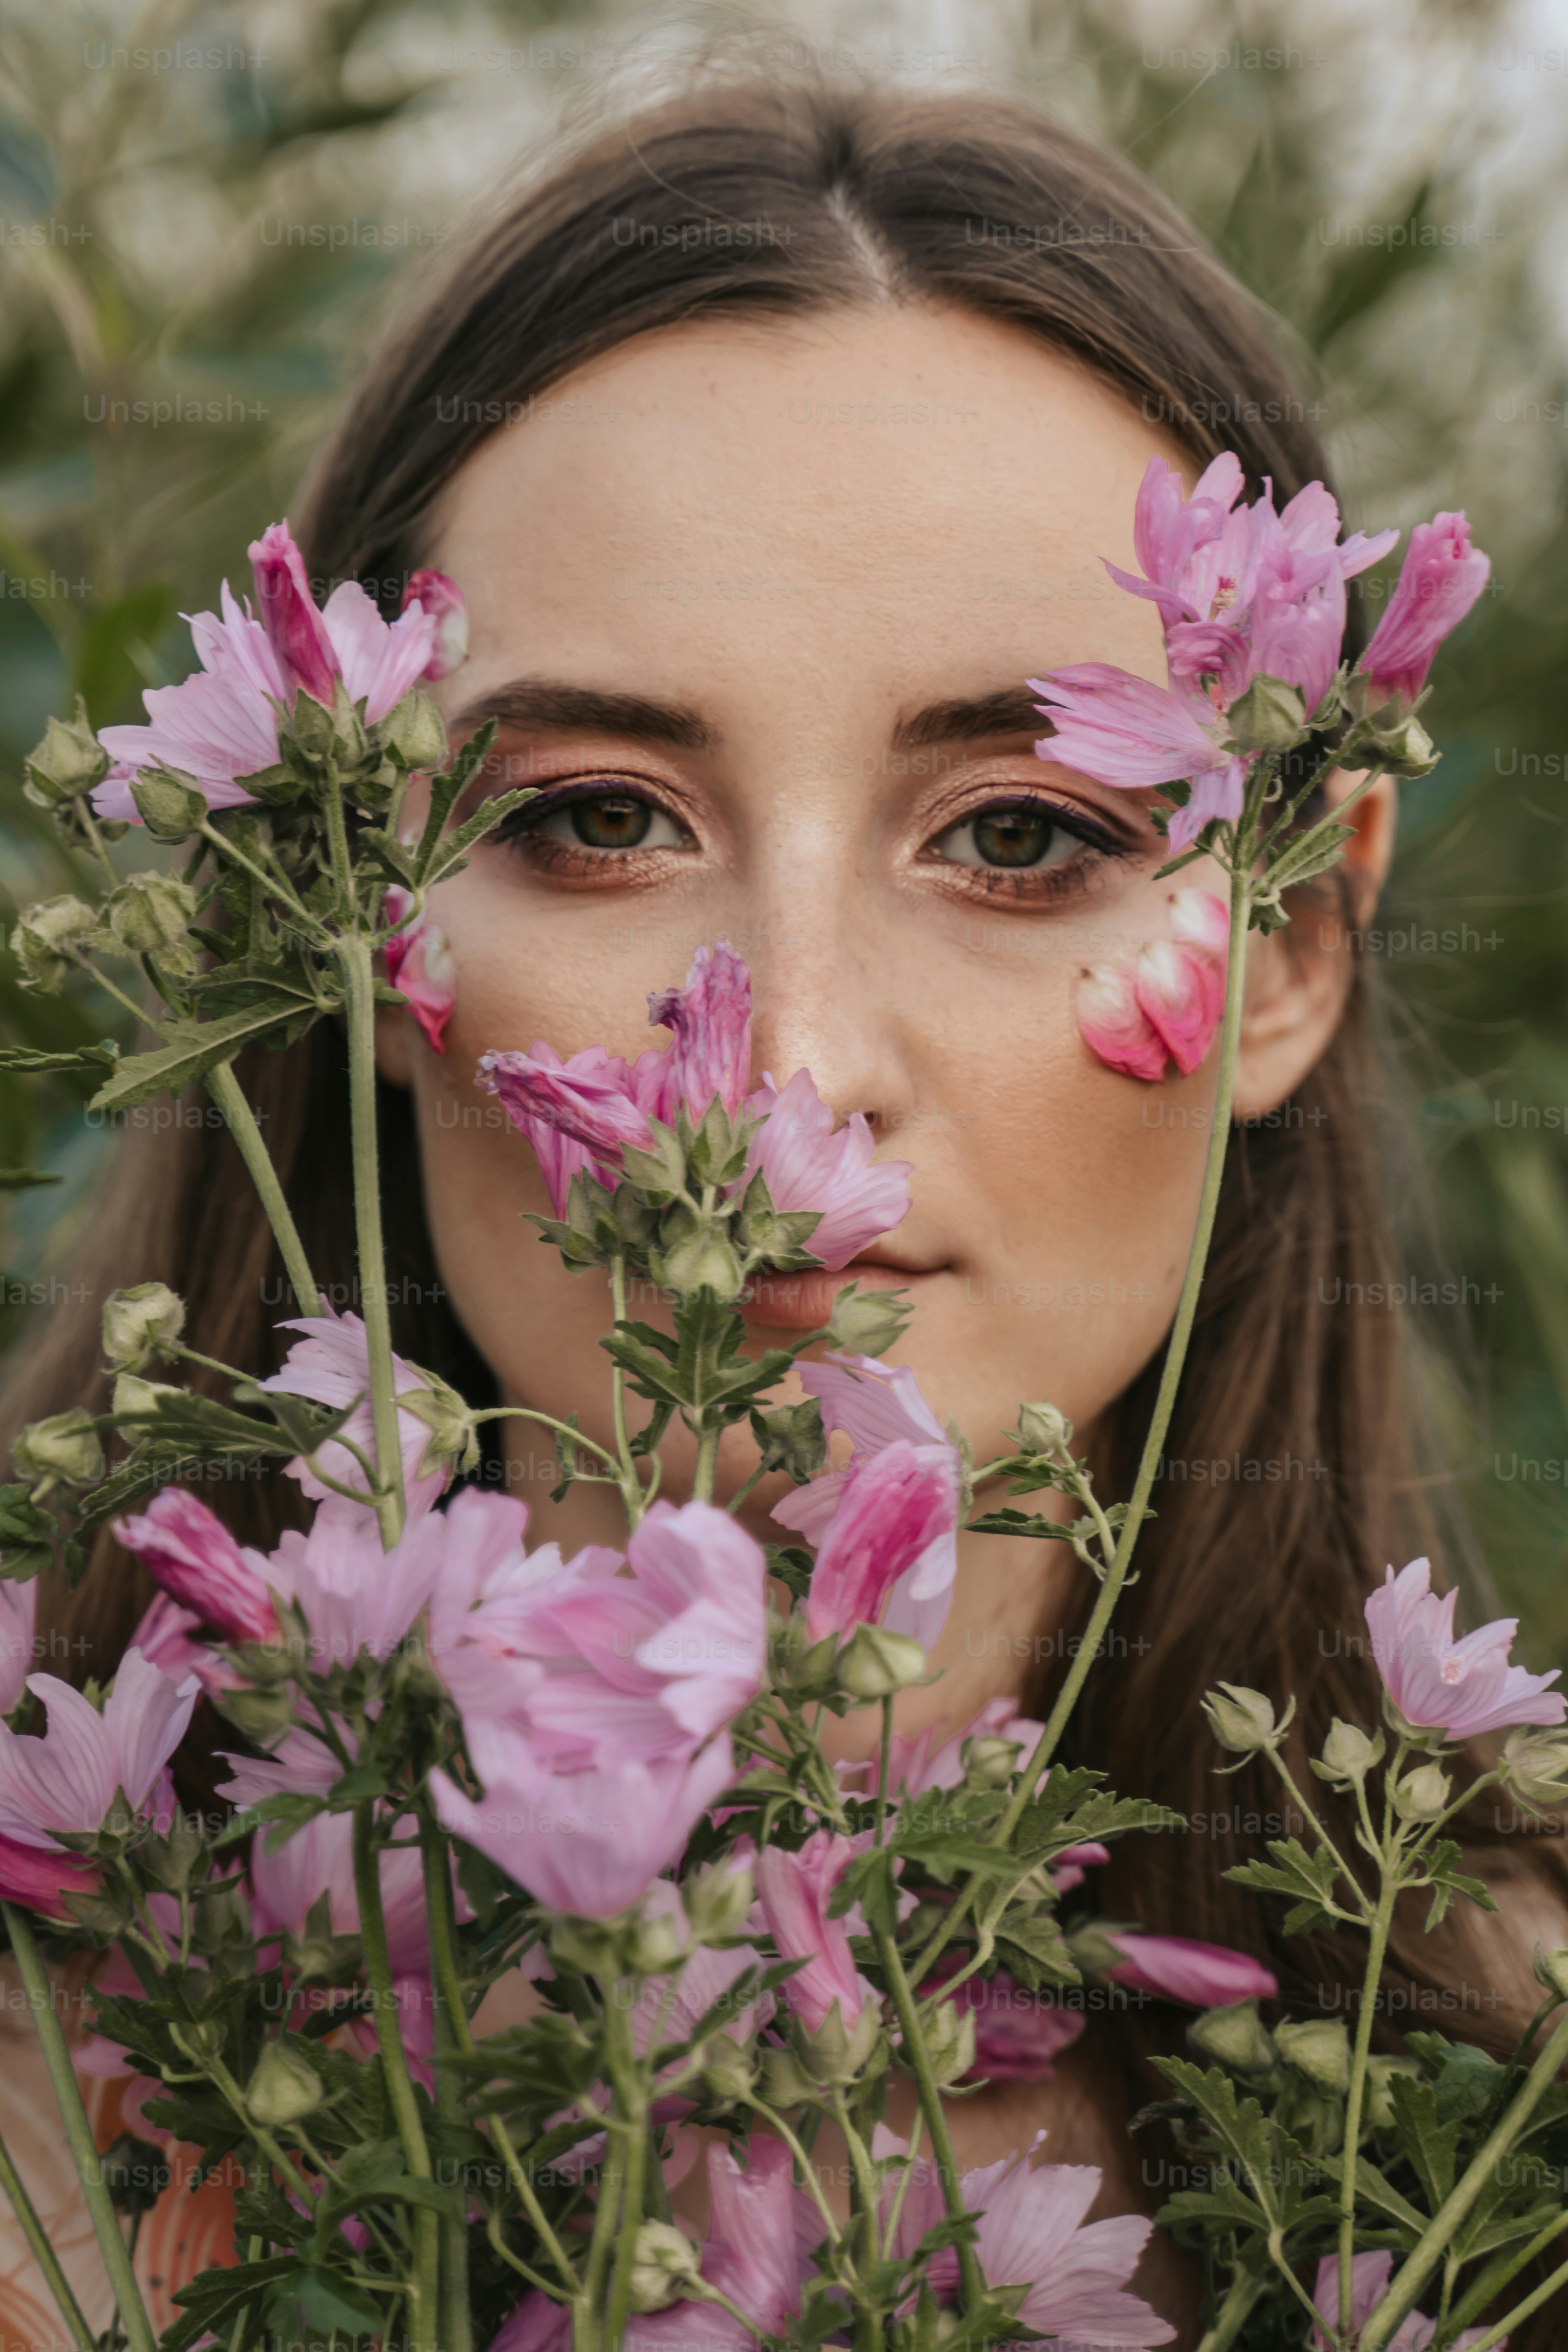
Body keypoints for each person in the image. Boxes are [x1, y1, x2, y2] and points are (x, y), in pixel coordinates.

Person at [4, 69, 1562, 2349]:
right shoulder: (54, 2118)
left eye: (1022, 834)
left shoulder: (1505, 2126)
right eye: (600, 816)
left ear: (1292, 955)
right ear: (338, 917)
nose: (792, 1052)